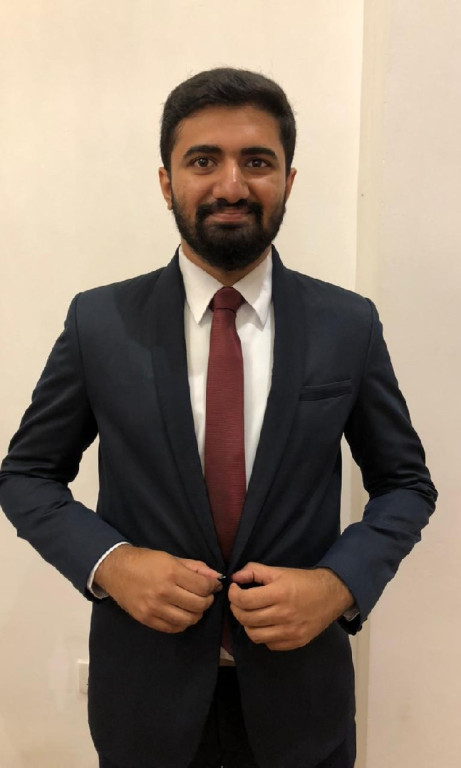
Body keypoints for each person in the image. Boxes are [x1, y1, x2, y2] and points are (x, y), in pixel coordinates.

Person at [0, 68, 437, 768]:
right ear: (166, 181)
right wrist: (112, 564)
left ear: (288, 180)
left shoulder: (347, 325)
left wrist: (338, 585)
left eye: (256, 162)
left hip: (302, 703)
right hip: (145, 700)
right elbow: (26, 475)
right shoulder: (98, 323)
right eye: (203, 161)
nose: (231, 185)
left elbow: (405, 484)